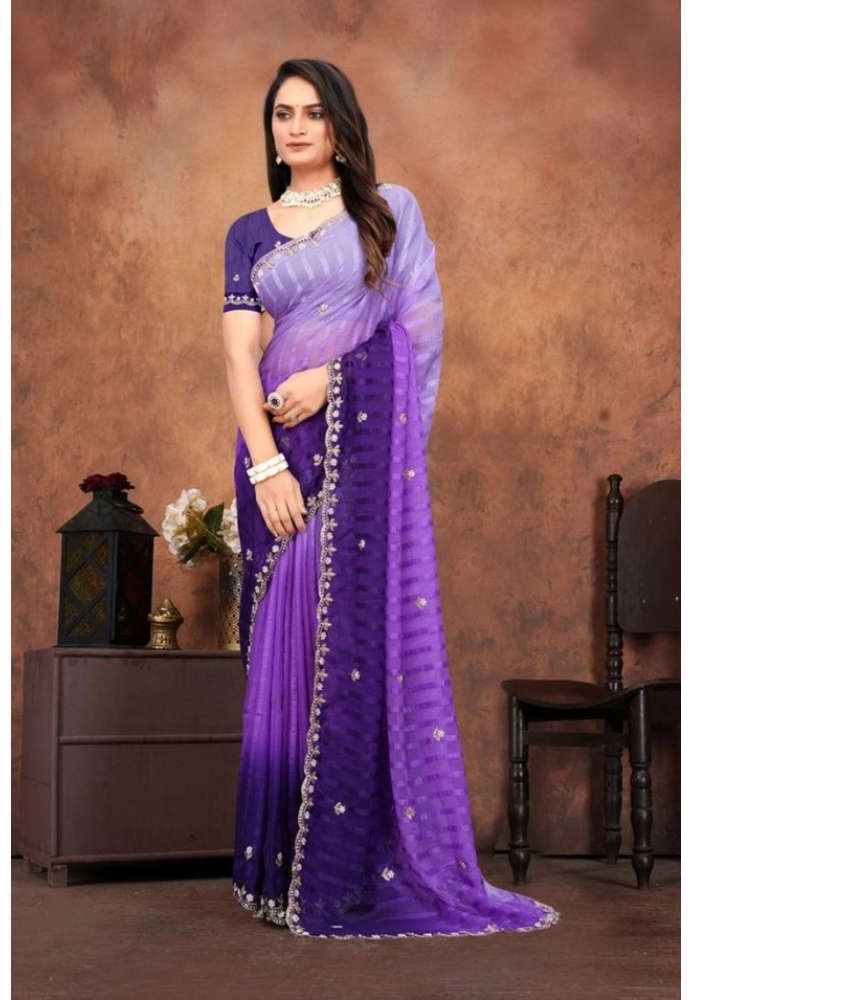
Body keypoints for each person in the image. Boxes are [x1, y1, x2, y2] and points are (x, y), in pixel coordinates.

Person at [222, 58, 558, 938]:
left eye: (313, 112)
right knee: (286, 648)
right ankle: (279, 869)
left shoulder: (386, 212)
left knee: (348, 649)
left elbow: (416, 335)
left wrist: (333, 380)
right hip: (279, 456)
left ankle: (340, 866)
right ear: (272, 130)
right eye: (283, 114)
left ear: (340, 126)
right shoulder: (248, 234)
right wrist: (266, 469)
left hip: (358, 458)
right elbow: (239, 356)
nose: (297, 127)